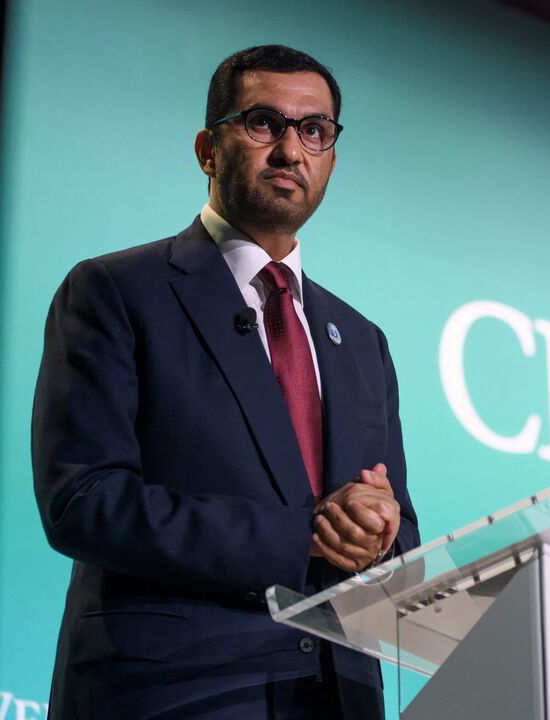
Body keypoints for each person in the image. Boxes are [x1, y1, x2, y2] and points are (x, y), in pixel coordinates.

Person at [31, 45, 420, 719]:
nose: (290, 150)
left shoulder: (362, 342)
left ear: (330, 155)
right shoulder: (118, 291)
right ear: (208, 148)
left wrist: (380, 534)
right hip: (174, 693)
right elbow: (85, 501)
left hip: (335, 697)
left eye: (314, 130)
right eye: (264, 123)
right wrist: (301, 536)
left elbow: (404, 542)